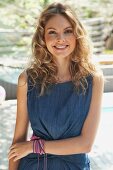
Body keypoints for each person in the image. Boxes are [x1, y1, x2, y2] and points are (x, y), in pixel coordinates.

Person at [8, 2, 104, 170]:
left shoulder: (94, 78)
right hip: (33, 165)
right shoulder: (27, 79)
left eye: (68, 31)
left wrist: (33, 147)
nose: (61, 39)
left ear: (77, 35)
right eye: (52, 32)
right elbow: (18, 142)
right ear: (43, 37)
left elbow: (85, 144)